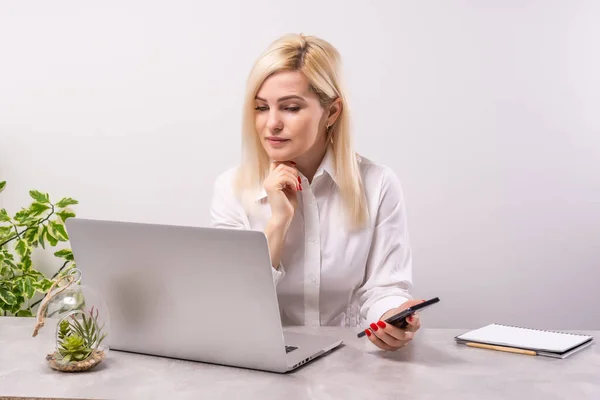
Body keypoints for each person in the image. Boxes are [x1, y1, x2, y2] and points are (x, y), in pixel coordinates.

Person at [210, 33, 423, 351]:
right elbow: (232, 304)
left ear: (332, 112)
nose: (272, 124)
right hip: (265, 365)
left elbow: (384, 288)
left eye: (291, 108)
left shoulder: (378, 184)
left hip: (351, 365)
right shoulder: (232, 188)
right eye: (261, 107)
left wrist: (391, 316)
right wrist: (277, 223)